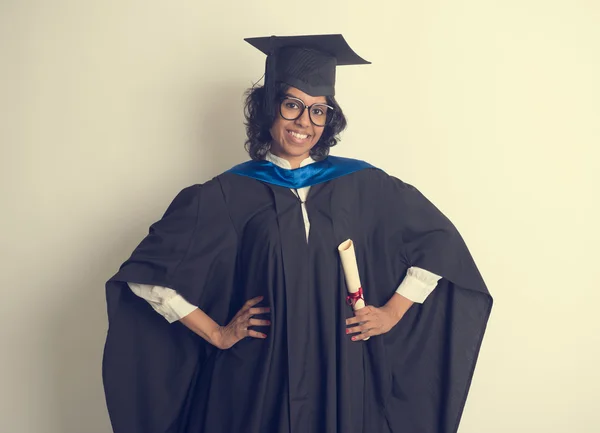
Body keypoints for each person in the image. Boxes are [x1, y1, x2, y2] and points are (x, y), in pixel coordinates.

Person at [102, 34, 492, 433]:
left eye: (319, 111)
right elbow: (146, 276)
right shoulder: (227, 193)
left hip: (340, 368)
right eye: (293, 105)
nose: (305, 121)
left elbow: (438, 244)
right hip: (257, 377)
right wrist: (218, 334)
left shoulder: (363, 185)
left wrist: (392, 312)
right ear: (269, 109)